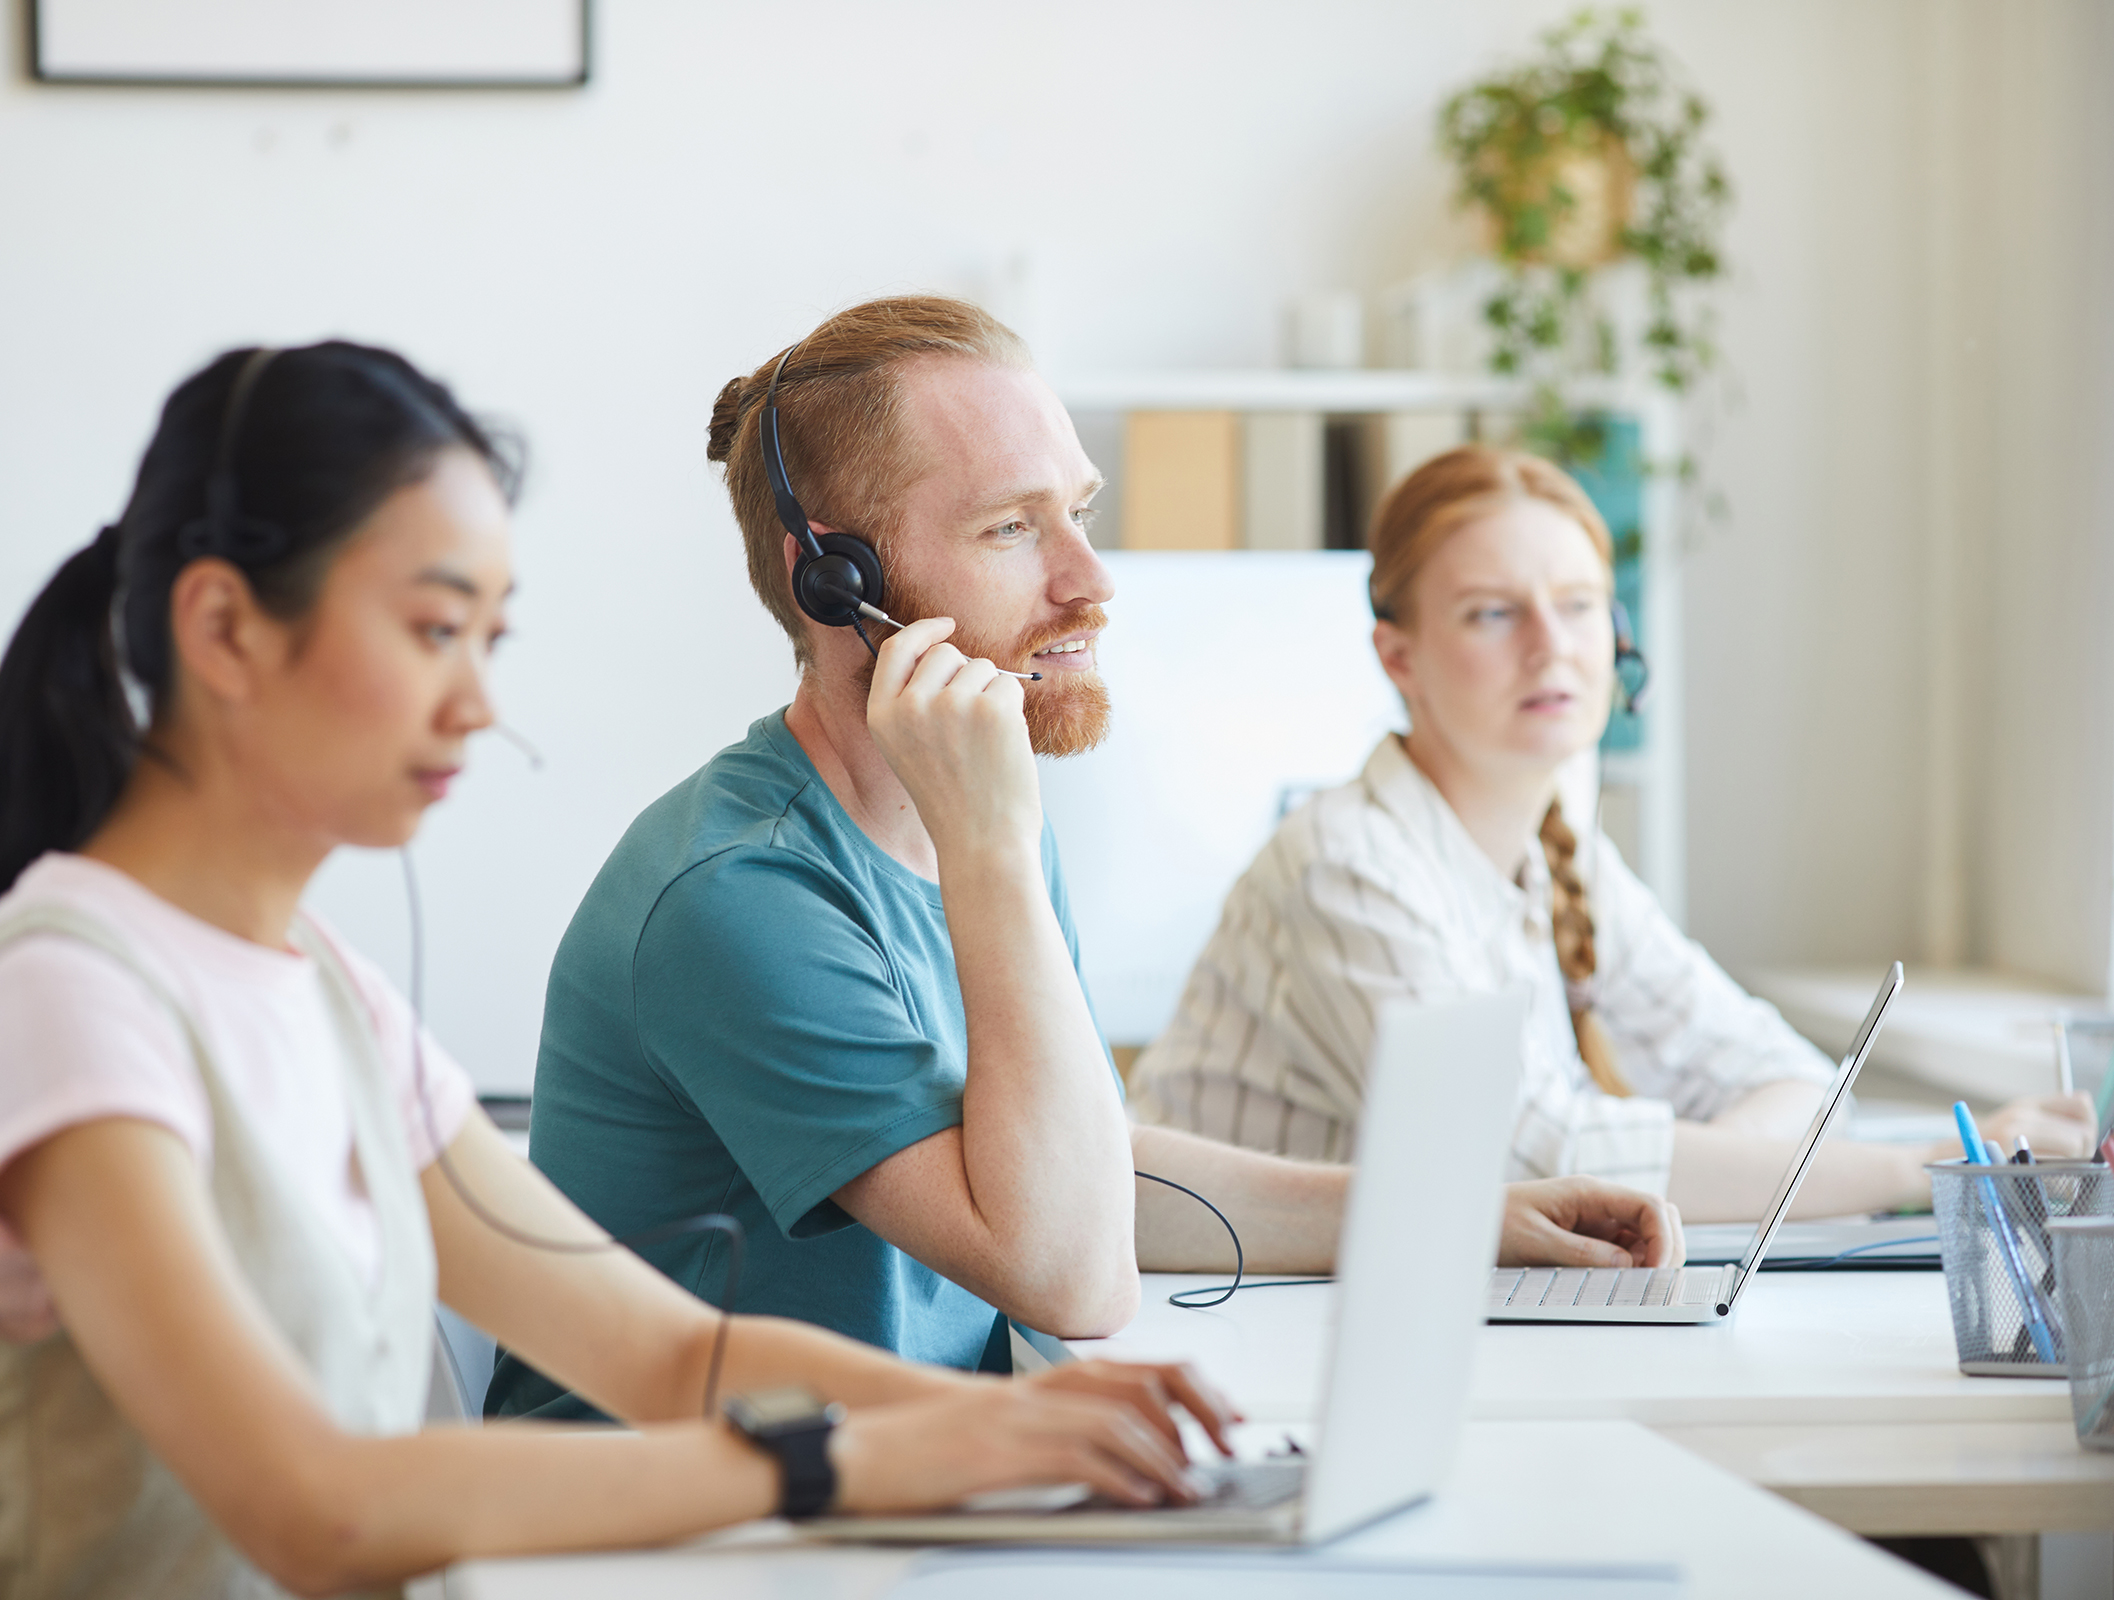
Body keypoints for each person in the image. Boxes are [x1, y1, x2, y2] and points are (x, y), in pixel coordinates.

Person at [0, 342, 1244, 1599]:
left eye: (491, 636)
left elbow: (671, 1360)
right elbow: (307, 1506)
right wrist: (848, 1460)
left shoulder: (321, 990)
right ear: (222, 627)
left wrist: (1021, 1429)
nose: (481, 704)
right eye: (437, 629)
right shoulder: (72, 991)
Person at [492, 298, 1682, 1419]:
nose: (1092, 581)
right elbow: (1071, 1275)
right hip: (673, 1541)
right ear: (835, 583)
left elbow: (1088, 1172)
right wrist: (997, 848)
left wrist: (1462, 1212)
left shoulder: (971, 822)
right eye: (1012, 527)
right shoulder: (741, 894)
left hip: (886, 1485)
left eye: (1082, 512)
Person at [1128, 445, 2095, 1223]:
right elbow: (1540, 1167)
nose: (1552, 647)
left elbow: (1791, 1076)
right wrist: (1915, 1166)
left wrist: (1733, 1165)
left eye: (1580, 606)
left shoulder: (1564, 850)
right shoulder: (1343, 864)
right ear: (1400, 656)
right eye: (1493, 613)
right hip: (1212, 1332)